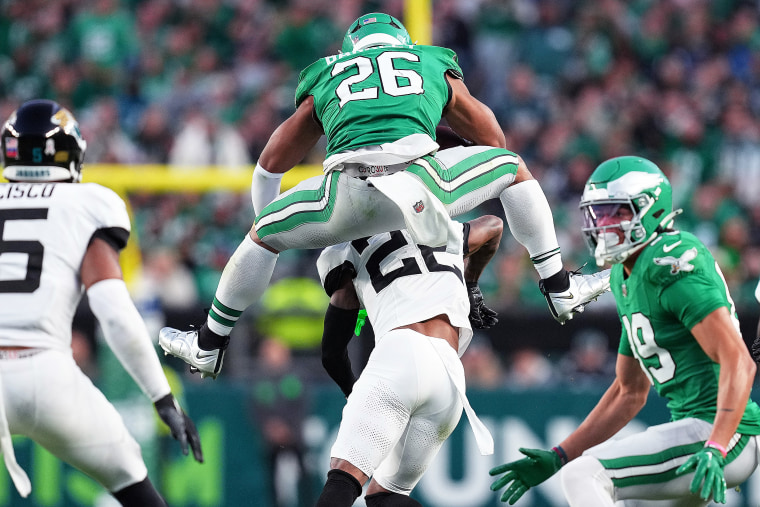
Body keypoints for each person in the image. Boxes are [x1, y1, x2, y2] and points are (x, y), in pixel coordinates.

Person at [158, 12, 610, 379]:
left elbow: (269, 164)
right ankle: (557, 286)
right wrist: (436, 123)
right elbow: (494, 138)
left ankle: (209, 343)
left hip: (345, 197)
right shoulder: (429, 60)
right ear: (402, 44)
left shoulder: (328, 73)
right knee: (513, 170)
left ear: (349, 52)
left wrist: (274, 224)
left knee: (261, 237)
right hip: (423, 182)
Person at [489, 156, 760, 506]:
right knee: (616, 493)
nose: (603, 225)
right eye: (598, 215)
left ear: (651, 210)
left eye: (616, 213)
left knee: (586, 475)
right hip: (701, 430)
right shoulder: (624, 274)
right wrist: (560, 454)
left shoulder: (672, 262)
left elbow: (740, 361)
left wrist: (717, 444)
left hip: (725, 431)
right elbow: (628, 391)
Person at [0, 99, 203, 506]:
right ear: (71, 154)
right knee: (133, 483)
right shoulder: (87, 204)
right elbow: (115, 312)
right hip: (46, 374)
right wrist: (162, 397)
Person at [314, 214, 503, 507]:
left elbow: (332, 354)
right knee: (385, 495)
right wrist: (471, 283)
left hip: (401, 353)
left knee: (344, 475)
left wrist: (358, 395)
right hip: (451, 374)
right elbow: (493, 226)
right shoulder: (439, 225)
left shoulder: (346, 251)